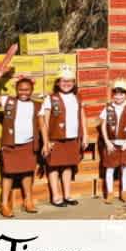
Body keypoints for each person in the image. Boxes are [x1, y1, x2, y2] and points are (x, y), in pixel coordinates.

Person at [0, 69, 41, 218]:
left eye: (27, 90)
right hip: (10, 144)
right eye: (21, 89)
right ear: (16, 89)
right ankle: (4, 204)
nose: (24, 92)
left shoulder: (36, 105)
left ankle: (28, 200)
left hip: (28, 144)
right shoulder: (8, 101)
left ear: (32, 90)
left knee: (27, 172)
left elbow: (44, 122)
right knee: (8, 175)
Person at [39, 66, 86, 207]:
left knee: (68, 167)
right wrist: (46, 141)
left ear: (74, 83)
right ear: (58, 82)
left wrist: (85, 134)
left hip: (72, 138)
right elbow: (44, 121)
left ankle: (67, 194)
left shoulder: (77, 97)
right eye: (63, 81)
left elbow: (82, 116)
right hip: (55, 139)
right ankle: (56, 196)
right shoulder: (50, 98)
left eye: (70, 81)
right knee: (53, 167)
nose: (67, 84)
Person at [99, 78, 126, 204]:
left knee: (125, 167)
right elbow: (103, 126)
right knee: (110, 168)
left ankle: (124, 192)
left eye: (121, 94)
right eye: (116, 94)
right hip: (111, 143)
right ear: (113, 94)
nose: (118, 96)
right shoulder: (108, 108)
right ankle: (109, 193)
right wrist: (107, 142)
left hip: (124, 143)